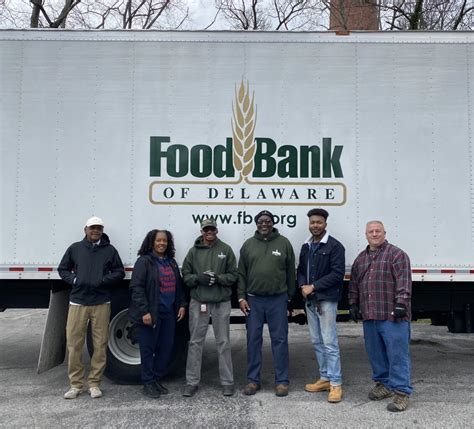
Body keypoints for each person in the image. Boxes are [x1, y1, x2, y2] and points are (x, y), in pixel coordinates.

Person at [348, 220, 412, 412]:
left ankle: (401, 392)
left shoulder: (397, 254)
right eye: (370, 232)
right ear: (365, 235)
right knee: (375, 353)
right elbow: (354, 285)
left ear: (384, 233)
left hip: (393, 315)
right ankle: (384, 384)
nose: (374, 234)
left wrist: (402, 303)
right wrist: (352, 303)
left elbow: (404, 282)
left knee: (397, 354)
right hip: (370, 315)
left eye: (378, 231)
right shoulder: (360, 259)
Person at [58, 216, 125, 399]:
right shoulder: (75, 249)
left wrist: (103, 280)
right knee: (74, 344)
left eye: (99, 228)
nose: (95, 231)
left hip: (101, 303)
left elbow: (119, 271)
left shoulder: (110, 250)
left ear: (102, 231)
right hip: (78, 302)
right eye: (92, 228)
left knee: (100, 345)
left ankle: (94, 383)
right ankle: (76, 384)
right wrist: (74, 280)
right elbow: (63, 269)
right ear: (85, 230)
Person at [238, 210, 296, 397]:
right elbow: (241, 274)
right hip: (254, 300)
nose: (264, 224)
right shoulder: (248, 245)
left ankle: (282, 381)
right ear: (256, 224)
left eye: (268, 221)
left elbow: (290, 273)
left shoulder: (284, 243)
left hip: (277, 299)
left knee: (279, 340)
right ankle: (253, 380)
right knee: (253, 340)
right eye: (261, 221)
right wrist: (241, 297)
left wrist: (289, 296)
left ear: (273, 223)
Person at [181, 219, 238, 397]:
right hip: (199, 301)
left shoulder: (226, 250)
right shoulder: (193, 252)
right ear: (202, 231)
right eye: (206, 229)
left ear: (216, 230)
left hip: (221, 301)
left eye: (212, 229)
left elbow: (233, 275)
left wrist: (218, 278)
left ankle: (227, 382)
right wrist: (199, 278)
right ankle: (191, 382)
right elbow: (186, 275)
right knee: (195, 342)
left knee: (223, 342)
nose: (209, 232)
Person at [128, 229, 187, 398]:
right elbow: (137, 288)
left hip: (168, 313)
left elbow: (179, 286)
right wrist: (145, 312)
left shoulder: (171, 262)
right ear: (151, 242)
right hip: (151, 313)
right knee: (148, 349)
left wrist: (182, 304)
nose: (162, 243)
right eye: (158, 240)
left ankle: (156, 379)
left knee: (166, 348)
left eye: (165, 241)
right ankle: (147, 382)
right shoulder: (144, 262)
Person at [297, 208, 345, 403]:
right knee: (317, 341)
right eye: (312, 222)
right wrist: (302, 285)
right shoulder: (306, 246)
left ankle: (336, 383)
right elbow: (301, 270)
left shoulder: (335, 246)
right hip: (310, 301)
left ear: (325, 224)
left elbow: (337, 273)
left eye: (319, 222)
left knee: (330, 343)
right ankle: (324, 377)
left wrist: (314, 286)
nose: (315, 225)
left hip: (326, 300)